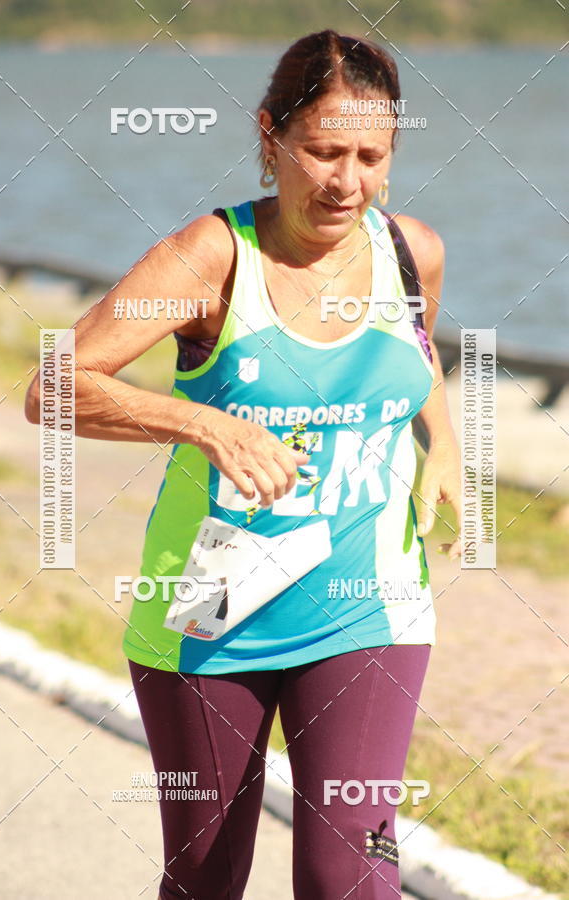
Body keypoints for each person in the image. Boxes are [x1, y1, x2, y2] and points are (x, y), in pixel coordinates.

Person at [26, 28, 461, 900]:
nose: (348, 181)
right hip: (213, 612)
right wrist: (203, 425)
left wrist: (442, 443)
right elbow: (55, 387)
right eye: (323, 151)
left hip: (369, 603)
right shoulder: (211, 259)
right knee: (207, 874)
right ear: (271, 139)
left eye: (372, 155)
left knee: (350, 871)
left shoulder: (412, 252)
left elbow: (412, 357)